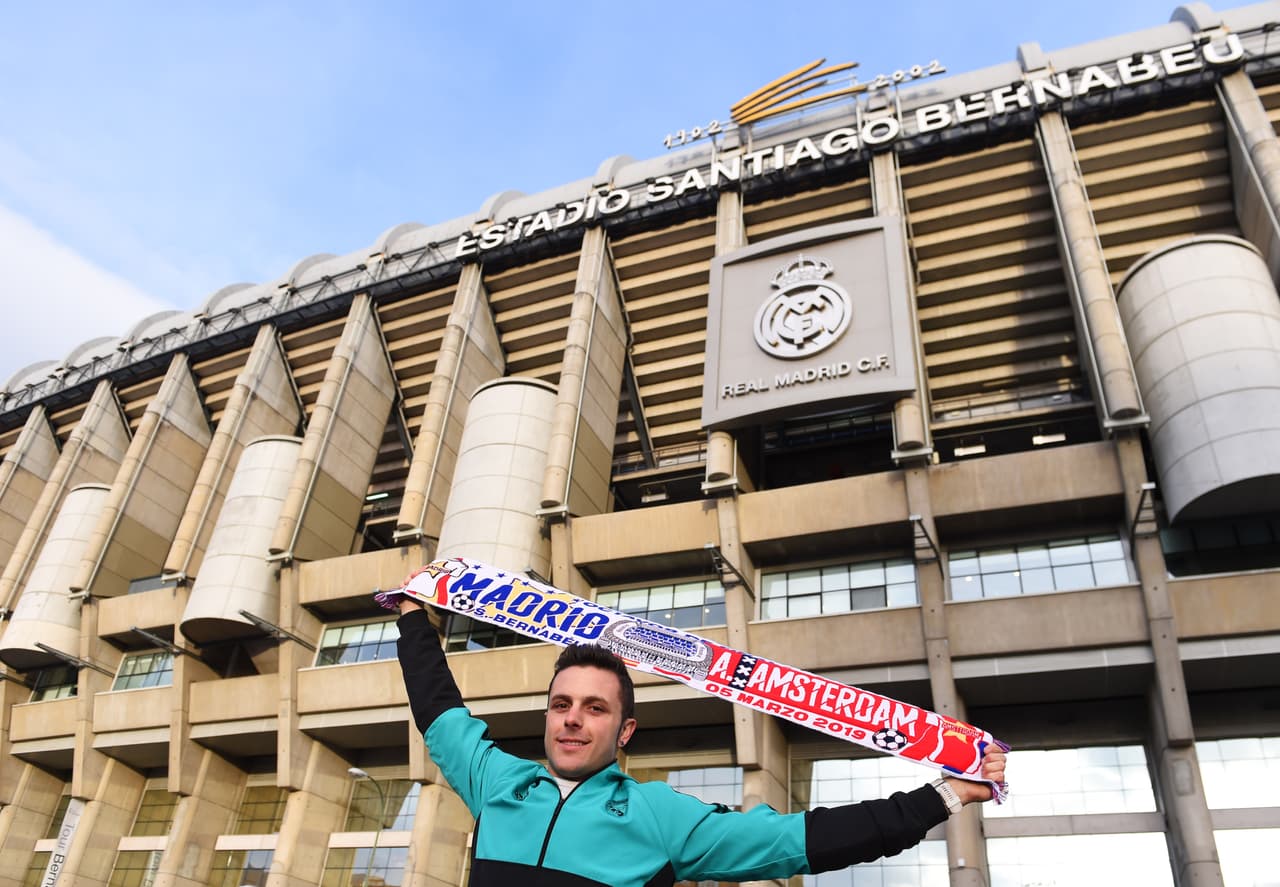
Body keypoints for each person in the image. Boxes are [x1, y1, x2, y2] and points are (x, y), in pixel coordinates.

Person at [395, 597, 1006, 886]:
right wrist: (411, 619)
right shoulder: (500, 783)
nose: (573, 719)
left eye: (594, 707)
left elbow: (800, 840)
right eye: (561, 705)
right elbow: (440, 711)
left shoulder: (659, 815)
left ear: (624, 730)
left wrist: (945, 796)